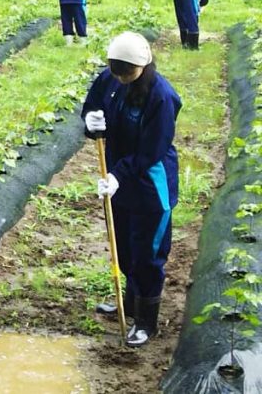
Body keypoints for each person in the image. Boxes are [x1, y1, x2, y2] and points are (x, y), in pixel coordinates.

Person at [82, 31, 181, 347]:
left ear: (143, 65)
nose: (121, 78)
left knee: (147, 253)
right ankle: (128, 301)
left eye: (127, 72)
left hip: (150, 184)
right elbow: (92, 105)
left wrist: (118, 175)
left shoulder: (161, 97)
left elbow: (152, 149)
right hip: (119, 180)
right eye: (116, 70)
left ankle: (145, 321)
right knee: (123, 245)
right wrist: (90, 121)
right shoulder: (110, 80)